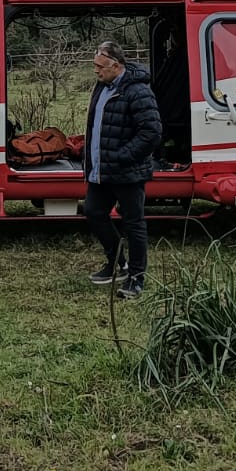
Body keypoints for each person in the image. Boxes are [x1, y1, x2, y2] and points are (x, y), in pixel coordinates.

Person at [82, 40, 162, 300]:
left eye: (100, 66)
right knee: (94, 212)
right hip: (101, 171)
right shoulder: (102, 86)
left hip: (127, 171)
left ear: (116, 66)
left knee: (133, 224)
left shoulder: (138, 91)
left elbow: (151, 132)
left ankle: (137, 278)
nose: (96, 70)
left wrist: (122, 156)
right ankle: (118, 264)